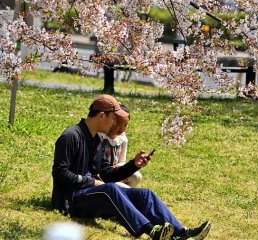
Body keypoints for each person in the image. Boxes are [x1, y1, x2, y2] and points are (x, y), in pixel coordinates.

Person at [52, 94, 211, 240]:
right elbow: (60, 173)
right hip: (70, 200)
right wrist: (91, 182)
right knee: (110, 189)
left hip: (92, 195)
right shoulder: (70, 136)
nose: (115, 124)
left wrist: (133, 165)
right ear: (101, 116)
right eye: (113, 119)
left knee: (145, 195)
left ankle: (182, 234)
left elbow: (107, 174)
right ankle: (152, 231)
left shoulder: (96, 141)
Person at [99, 104, 142, 188]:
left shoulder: (122, 139)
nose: (121, 129)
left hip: (117, 172)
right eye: (118, 124)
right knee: (125, 188)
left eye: (125, 125)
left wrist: (119, 166)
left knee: (137, 176)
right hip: (103, 176)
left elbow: (122, 160)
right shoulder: (101, 138)